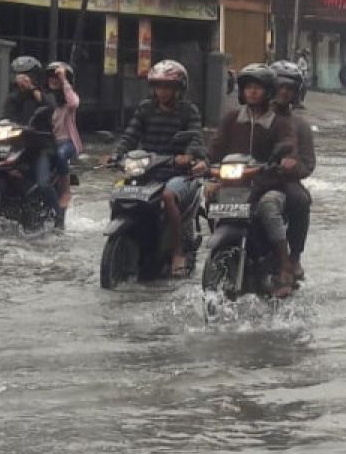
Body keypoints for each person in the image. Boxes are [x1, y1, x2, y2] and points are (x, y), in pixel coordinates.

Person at [208, 63, 297, 297]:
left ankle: (285, 263)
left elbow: (288, 146)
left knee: (268, 207)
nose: (252, 92)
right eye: (248, 87)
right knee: (208, 197)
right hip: (234, 185)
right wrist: (205, 165)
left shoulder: (279, 121)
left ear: (268, 91)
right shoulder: (231, 118)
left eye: (258, 87)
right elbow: (216, 148)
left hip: (268, 183)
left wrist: (286, 159)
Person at [109, 59, 205, 277]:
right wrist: (117, 154)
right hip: (147, 169)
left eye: (168, 87)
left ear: (178, 89)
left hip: (176, 172)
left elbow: (196, 138)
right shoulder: (145, 108)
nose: (162, 91)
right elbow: (130, 135)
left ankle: (177, 251)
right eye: (159, 86)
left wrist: (187, 155)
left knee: (169, 196)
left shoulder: (189, 111)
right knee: (119, 190)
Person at [270, 60, 314, 281]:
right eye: (280, 87)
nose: (284, 92)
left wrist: (293, 166)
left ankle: (294, 256)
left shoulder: (300, 126)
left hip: (284, 181)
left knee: (301, 200)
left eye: (289, 89)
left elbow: (308, 163)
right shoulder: (248, 117)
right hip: (250, 178)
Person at [2, 56, 59, 211]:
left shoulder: (43, 94)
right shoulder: (13, 98)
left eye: (26, 75)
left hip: (41, 147)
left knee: (43, 184)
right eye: (18, 74)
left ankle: (58, 220)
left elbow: (51, 107)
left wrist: (32, 89)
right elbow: (5, 119)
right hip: (19, 147)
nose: (22, 78)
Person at [46, 61, 82, 210]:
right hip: (47, 142)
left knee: (60, 155)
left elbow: (74, 103)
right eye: (51, 77)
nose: (53, 80)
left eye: (57, 77)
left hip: (66, 142)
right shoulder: (44, 98)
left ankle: (66, 191)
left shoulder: (68, 101)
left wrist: (64, 80)